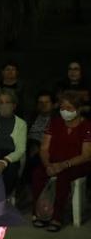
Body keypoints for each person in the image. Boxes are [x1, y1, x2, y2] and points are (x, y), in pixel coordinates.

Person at [31, 91, 91, 231]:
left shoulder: (87, 126)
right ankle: (40, 212)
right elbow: (44, 148)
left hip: (77, 164)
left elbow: (86, 155)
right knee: (38, 174)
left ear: (78, 108)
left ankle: (57, 216)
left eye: (69, 108)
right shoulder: (54, 123)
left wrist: (63, 165)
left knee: (63, 177)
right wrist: (48, 165)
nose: (65, 111)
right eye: (62, 108)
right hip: (53, 162)